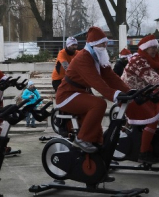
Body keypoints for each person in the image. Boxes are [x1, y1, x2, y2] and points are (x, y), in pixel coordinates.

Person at [55, 26, 129, 154]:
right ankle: (82, 139)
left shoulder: (97, 55)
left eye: (105, 43)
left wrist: (128, 92)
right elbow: (96, 81)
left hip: (80, 93)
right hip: (67, 95)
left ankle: (99, 157)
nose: (104, 46)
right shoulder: (83, 58)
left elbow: (111, 77)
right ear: (94, 44)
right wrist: (115, 94)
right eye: (102, 43)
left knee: (96, 130)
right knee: (99, 104)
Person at [122, 34, 159, 162]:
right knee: (152, 118)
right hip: (131, 96)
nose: (154, 50)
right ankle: (143, 152)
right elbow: (151, 77)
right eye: (151, 47)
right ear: (145, 48)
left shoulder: (151, 60)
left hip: (143, 94)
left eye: (156, 47)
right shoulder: (138, 60)